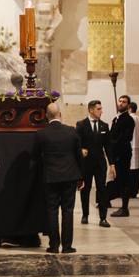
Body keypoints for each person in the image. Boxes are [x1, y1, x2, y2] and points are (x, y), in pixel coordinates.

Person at [35, 103, 84, 253]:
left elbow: (36, 157)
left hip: (50, 177)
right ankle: (67, 246)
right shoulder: (71, 131)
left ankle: (54, 245)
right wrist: (81, 177)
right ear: (60, 115)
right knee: (68, 211)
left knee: (52, 210)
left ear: (46, 116)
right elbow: (79, 156)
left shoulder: (41, 134)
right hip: (69, 176)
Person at [76, 99, 112, 228]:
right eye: (99, 109)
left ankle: (103, 218)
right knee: (85, 189)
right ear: (91, 110)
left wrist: (112, 164)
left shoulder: (104, 126)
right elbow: (77, 144)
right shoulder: (81, 125)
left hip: (100, 163)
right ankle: (85, 215)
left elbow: (108, 146)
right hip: (86, 163)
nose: (101, 111)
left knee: (102, 189)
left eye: (101, 108)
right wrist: (81, 150)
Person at [108, 94, 135, 217]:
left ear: (128, 105)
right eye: (120, 101)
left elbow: (126, 137)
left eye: (124, 102)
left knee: (124, 181)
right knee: (118, 180)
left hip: (123, 153)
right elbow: (112, 135)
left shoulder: (128, 120)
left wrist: (113, 143)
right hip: (115, 153)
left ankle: (125, 208)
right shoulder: (116, 119)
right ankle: (110, 201)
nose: (121, 103)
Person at [128, 101, 139, 199]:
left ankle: (129, 191)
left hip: (131, 146)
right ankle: (135, 191)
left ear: (130, 109)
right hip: (138, 146)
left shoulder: (129, 118)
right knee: (137, 170)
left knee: (130, 170)